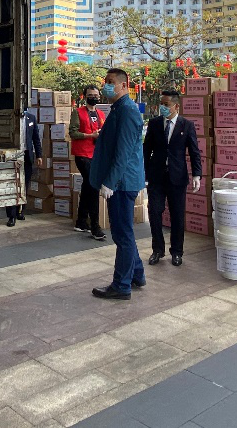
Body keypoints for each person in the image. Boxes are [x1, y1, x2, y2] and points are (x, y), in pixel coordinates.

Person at [88, 68, 146, 300]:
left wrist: (110, 182)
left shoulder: (128, 111)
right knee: (125, 233)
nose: (106, 85)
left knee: (122, 235)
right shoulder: (119, 109)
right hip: (122, 180)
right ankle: (137, 274)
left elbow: (123, 152)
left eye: (111, 82)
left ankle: (121, 285)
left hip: (122, 183)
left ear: (124, 85)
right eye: (106, 81)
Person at [143, 90, 203, 267]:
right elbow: (146, 150)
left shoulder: (186, 125)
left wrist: (197, 174)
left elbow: (194, 152)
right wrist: (143, 173)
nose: (162, 107)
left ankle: (177, 252)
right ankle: (157, 249)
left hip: (177, 177)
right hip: (156, 176)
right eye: (161, 103)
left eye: (166, 104)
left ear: (176, 106)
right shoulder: (154, 123)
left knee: (177, 215)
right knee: (154, 212)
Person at [70, 85, 106, 241]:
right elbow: (73, 133)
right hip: (82, 154)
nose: (94, 97)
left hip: (95, 155)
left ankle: (81, 221)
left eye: (96, 95)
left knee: (87, 185)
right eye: (91, 95)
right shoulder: (77, 112)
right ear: (85, 96)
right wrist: (90, 135)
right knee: (93, 186)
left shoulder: (100, 114)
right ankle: (95, 226)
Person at [8, 109, 41, 227]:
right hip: (14, 155)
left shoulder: (31, 118)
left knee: (24, 184)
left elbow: (36, 138)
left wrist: (39, 155)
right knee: (13, 186)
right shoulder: (12, 117)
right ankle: (11, 216)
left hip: (27, 155)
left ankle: (20, 211)